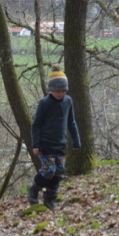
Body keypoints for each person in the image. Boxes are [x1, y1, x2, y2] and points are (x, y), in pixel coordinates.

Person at [28, 66, 82, 210]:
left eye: (63, 90)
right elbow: (36, 125)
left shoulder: (68, 101)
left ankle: (49, 199)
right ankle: (33, 188)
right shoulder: (44, 103)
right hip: (45, 146)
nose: (60, 93)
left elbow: (71, 122)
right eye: (58, 90)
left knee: (58, 174)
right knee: (48, 170)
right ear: (51, 89)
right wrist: (35, 144)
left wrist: (76, 140)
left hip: (60, 145)